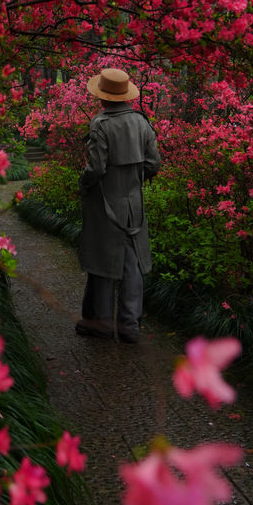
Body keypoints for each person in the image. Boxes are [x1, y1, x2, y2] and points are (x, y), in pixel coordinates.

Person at [76, 67, 161, 344]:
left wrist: (84, 184)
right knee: (132, 261)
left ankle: (100, 323)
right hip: (133, 202)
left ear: (102, 97)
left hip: (105, 201)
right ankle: (129, 324)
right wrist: (134, 182)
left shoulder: (100, 124)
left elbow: (96, 168)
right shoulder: (142, 122)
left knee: (103, 260)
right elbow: (153, 164)